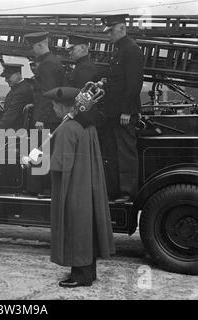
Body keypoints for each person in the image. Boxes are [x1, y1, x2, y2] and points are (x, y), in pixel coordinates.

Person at [43, 86, 115, 288]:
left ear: (64, 106)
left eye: (55, 105)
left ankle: (80, 277)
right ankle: (88, 272)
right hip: (88, 184)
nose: (53, 109)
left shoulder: (67, 128)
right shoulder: (87, 125)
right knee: (86, 229)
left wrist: (34, 162)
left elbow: (61, 165)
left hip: (73, 186)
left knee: (75, 229)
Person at [100, 14, 144, 202]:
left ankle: (127, 192)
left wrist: (127, 110)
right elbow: (118, 81)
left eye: (111, 31)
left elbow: (134, 83)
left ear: (121, 28)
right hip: (114, 111)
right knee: (115, 152)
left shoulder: (131, 50)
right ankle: (116, 191)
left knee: (125, 152)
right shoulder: (119, 50)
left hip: (123, 112)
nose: (108, 35)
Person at [23, 31, 65, 196]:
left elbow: (48, 93)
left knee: (40, 152)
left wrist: (40, 118)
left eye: (34, 47)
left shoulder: (47, 65)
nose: (33, 51)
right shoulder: (51, 62)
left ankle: (40, 191)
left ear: (41, 44)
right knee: (42, 152)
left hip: (46, 119)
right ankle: (43, 189)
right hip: (49, 116)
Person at [0, 63, 34, 131]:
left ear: (18, 74)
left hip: (15, 130)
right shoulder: (20, 87)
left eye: (8, 77)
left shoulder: (21, 91)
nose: (6, 80)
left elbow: (11, 115)